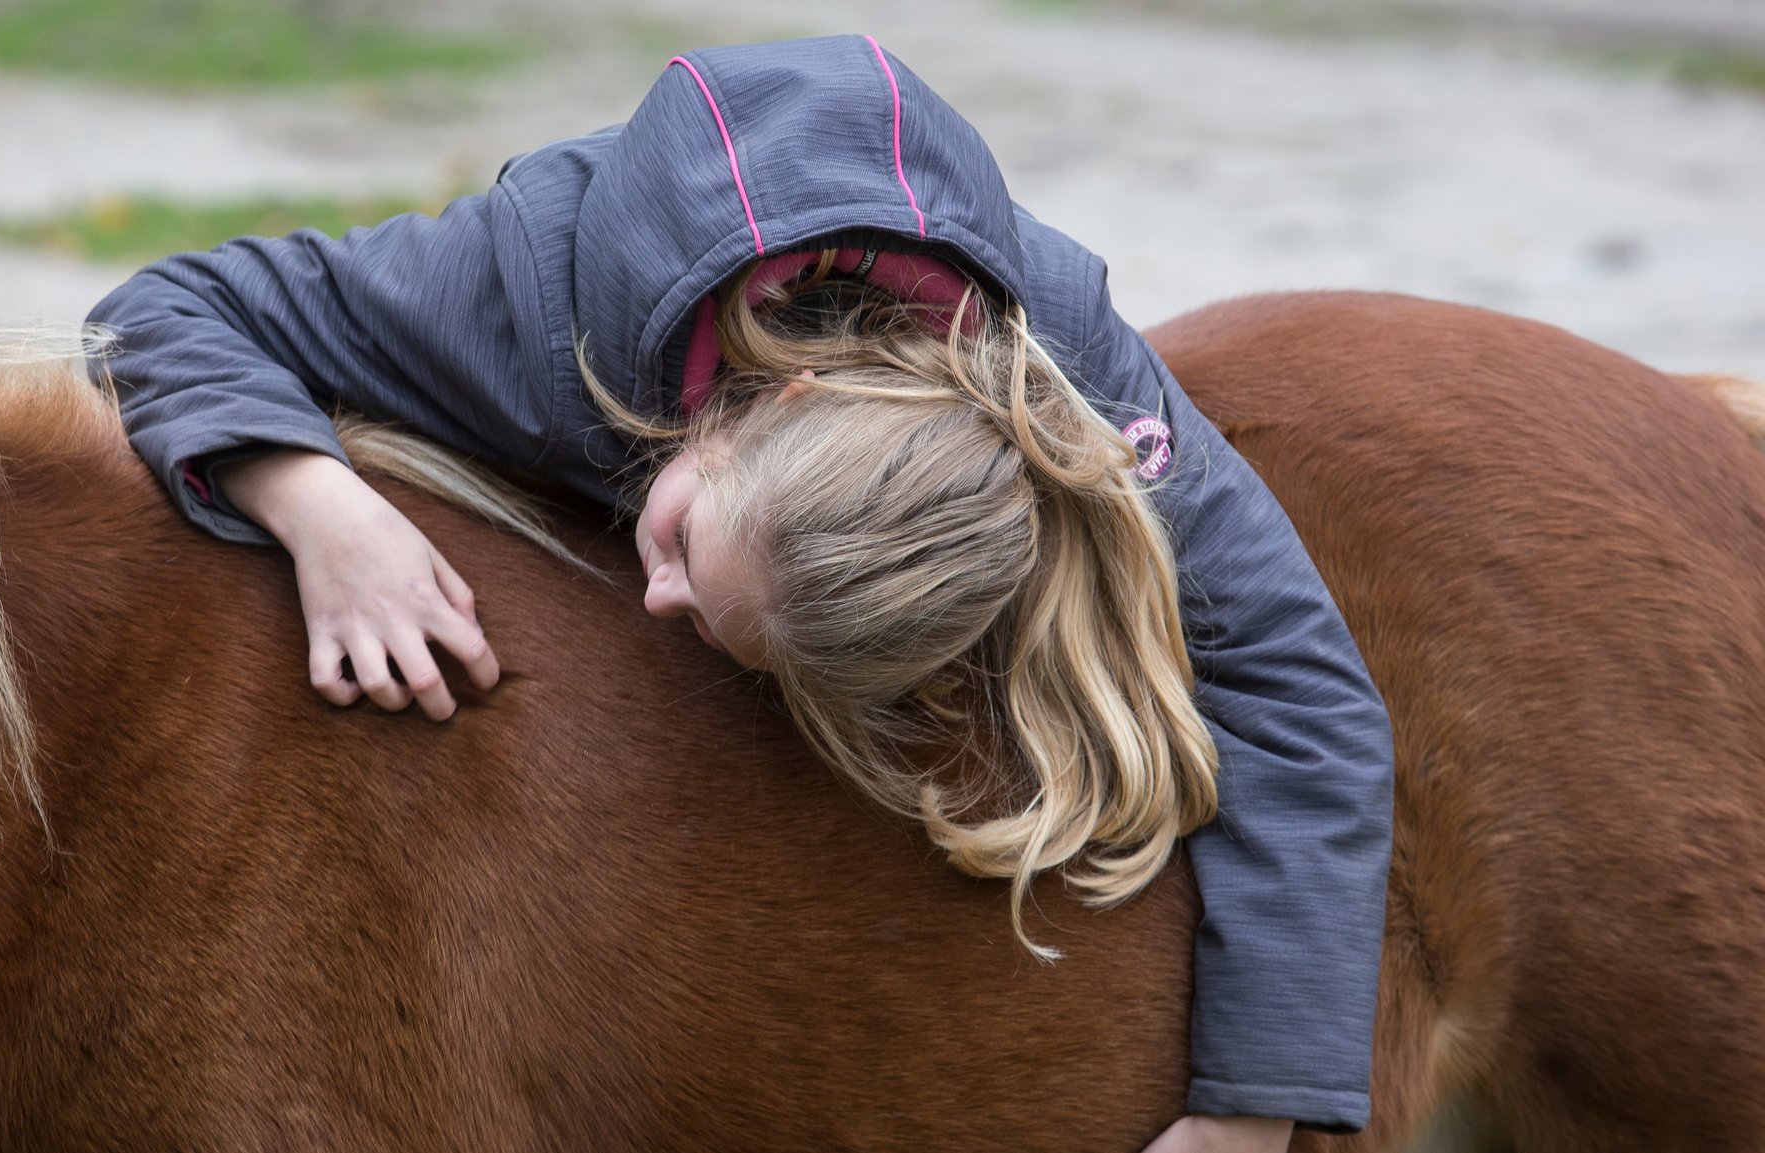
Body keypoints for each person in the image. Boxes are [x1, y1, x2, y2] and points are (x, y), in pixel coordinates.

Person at [88, 35, 1394, 1152]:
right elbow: (167, 304)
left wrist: (1253, 1106)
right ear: (771, 406)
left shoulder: (1074, 371)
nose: (651, 596)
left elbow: (1304, 690)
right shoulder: (523, 291)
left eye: (706, 617)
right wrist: (317, 505)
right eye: (676, 542)